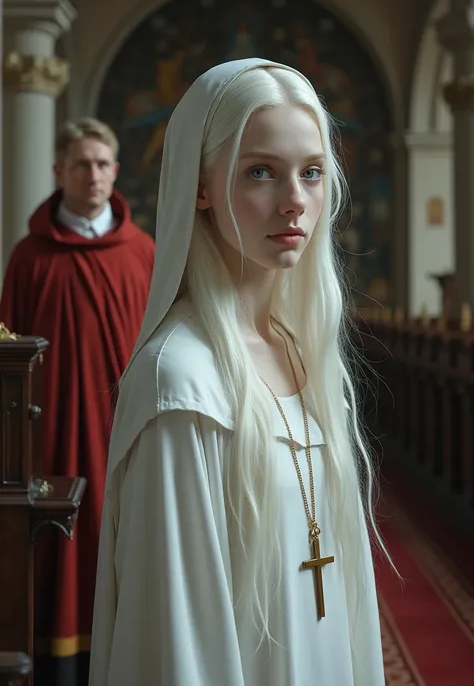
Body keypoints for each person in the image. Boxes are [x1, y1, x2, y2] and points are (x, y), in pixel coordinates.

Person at [89, 59, 387, 686]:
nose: (294, 202)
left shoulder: (300, 348)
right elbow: (177, 640)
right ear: (200, 186)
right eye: (261, 173)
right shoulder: (181, 382)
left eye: (311, 173)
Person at [0, 118, 155, 685]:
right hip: (51, 440)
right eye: (82, 164)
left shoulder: (142, 253)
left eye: (103, 164)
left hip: (128, 436)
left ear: (116, 171)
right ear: (58, 172)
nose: (94, 174)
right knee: (56, 560)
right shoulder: (29, 258)